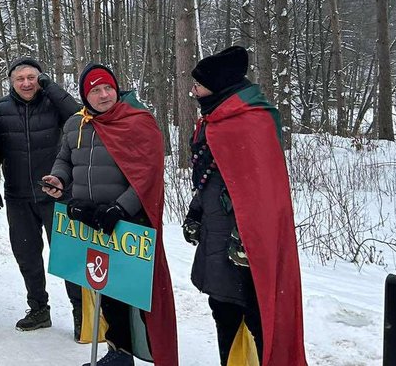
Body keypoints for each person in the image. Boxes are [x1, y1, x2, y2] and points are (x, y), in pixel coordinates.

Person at [41, 63, 178, 366]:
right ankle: (118, 353)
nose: (103, 95)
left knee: (133, 293)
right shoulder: (76, 123)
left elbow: (148, 174)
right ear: (85, 95)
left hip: (126, 222)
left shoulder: (137, 121)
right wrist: (59, 180)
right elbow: (65, 159)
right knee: (104, 288)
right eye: (95, 90)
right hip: (89, 218)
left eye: (108, 88)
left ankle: (146, 353)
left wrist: (121, 208)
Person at [184, 46, 306, 366]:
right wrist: (196, 209)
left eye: (197, 85)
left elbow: (263, 192)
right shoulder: (213, 120)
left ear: (217, 85)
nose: (192, 91)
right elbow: (214, 179)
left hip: (251, 245)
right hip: (217, 234)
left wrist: (244, 233)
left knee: (259, 316)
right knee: (223, 310)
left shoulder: (252, 122)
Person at [0, 57, 82, 335]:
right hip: (18, 196)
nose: (26, 83)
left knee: (67, 256)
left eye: (32, 77)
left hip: (58, 195)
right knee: (27, 256)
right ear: (11, 82)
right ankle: (38, 308)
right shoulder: (1, 109)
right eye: (20, 79)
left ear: (41, 79)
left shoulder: (54, 103)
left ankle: (81, 312)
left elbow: (78, 117)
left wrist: (51, 88)